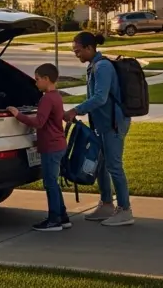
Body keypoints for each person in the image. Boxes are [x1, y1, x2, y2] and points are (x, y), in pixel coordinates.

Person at [62, 31, 134, 226]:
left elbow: (100, 98)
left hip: (113, 124)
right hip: (103, 124)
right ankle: (107, 204)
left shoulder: (102, 67)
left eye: (78, 51)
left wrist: (76, 110)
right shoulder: (94, 66)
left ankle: (125, 210)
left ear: (89, 48)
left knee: (114, 166)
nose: (76, 54)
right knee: (101, 166)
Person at [8, 63, 70, 232]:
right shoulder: (56, 96)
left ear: (46, 79)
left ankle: (54, 220)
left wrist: (17, 114)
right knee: (53, 183)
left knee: (50, 183)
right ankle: (62, 216)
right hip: (58, 144)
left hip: (50, 146)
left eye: (37, 79)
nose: (35, 83)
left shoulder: (46, 98)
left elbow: (39, 122)